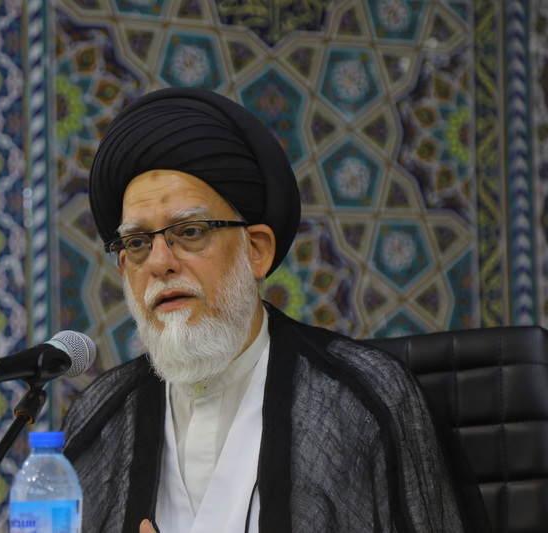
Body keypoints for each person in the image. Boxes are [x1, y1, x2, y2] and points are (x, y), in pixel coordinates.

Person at [62, 87, 489, 532]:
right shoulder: (98, 420)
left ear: (257, 250)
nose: (159, 262)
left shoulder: (366, 402)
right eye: (136, 242)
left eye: (189, 232)